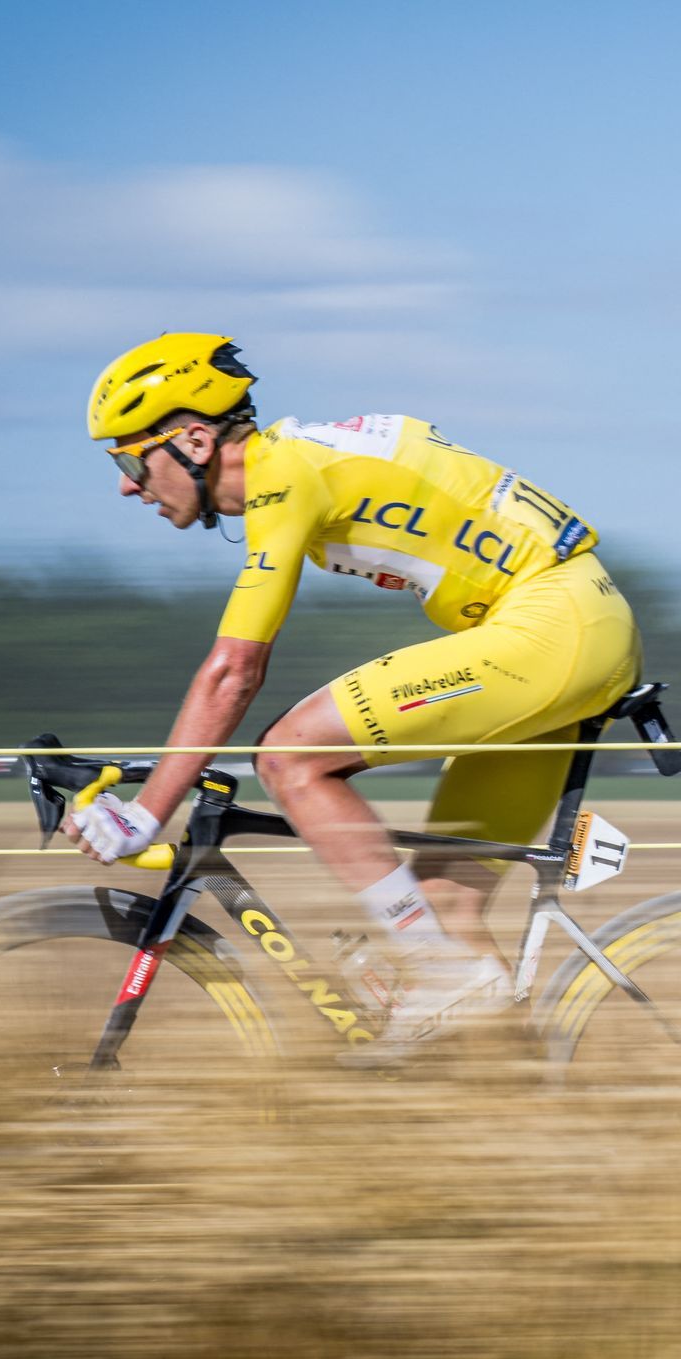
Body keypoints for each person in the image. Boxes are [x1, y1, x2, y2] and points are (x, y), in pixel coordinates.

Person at [69, 333, 641, 1064]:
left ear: (195, 439)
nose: (125, 484)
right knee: (446, 909)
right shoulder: (304, 460)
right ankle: (524, 1104)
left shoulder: (285, 474)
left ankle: (440, 977)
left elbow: (233, 671)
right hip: (579, 623)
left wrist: (148, 812)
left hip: (554, 627)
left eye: (128, 458)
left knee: (289, 758)